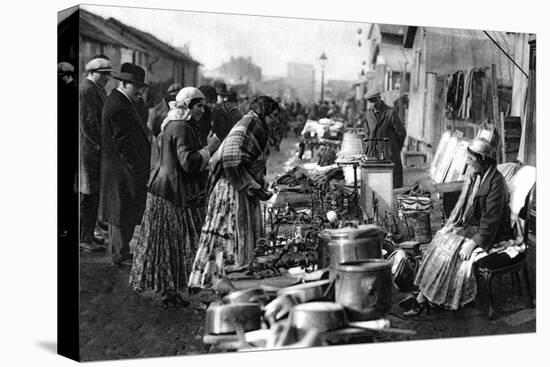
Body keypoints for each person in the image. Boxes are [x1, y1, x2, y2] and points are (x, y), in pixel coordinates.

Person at [402, 138, 514, 316]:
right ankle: (427, 293)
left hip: (494, 234)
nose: (468, 162)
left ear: (482, 159)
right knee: (440, 238)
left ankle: (424, 299)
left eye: (471, 159)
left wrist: (473, 243)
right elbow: (464, 206)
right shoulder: (476, 176)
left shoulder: (496, 183)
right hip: (475, 226)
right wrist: (452, 225)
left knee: (449, 248)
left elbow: (491, 221)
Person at [130, 87, 220, 306]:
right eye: (199, 106)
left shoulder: (175, 123)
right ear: (188, 105)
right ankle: (170, 293)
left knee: (168, 242)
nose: (202, 110)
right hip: (171, 192)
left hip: (166, 188)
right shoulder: (180, 126)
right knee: (172, 242)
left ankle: (170, 291)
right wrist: (210, 149)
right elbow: (188, 163)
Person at [188, 96, 280, 290]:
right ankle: (222, 281)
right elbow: (230, 156)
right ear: (263, 112)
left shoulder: (255, 123)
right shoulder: (250, 123)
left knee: (238, 235)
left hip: (240, 187)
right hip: (232, 190)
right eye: (273, 116)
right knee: (230, 233)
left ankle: (235, 280)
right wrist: (248, 184)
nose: (275, 121)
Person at [99, 63, 151, 268]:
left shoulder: (122, 101)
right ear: (125, 83)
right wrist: (138, 169)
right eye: (136, 86)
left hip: (122, 169)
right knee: (121, 213)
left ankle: (121, 252)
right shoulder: (119, 105)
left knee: (123, 211)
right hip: (122, 170)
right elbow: (123, 145)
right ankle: (120, 255)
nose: (140, 90)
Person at [79, 55, 114, 253]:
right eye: (103, 74)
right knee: (88, 195)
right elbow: (88, 124)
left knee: (93, 195)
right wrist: (101, 145)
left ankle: (88, 234)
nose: (107, 78)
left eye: (108, 74)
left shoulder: (97, 89)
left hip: (94, 151)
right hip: (89, 152)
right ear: (92, 73)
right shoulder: (86, 91)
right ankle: (84, 238)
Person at [363, 89, 407, 188]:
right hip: (373, 153)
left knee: (391, 183)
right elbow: (367, 133)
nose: (373, 103)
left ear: (380, 98)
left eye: (375, 100)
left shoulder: (390, 113)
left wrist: (394, 148)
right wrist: (368, 147)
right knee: (374, 184)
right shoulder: (368, 114)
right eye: (371, 101)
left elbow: (401, 133)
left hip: (388, 153)